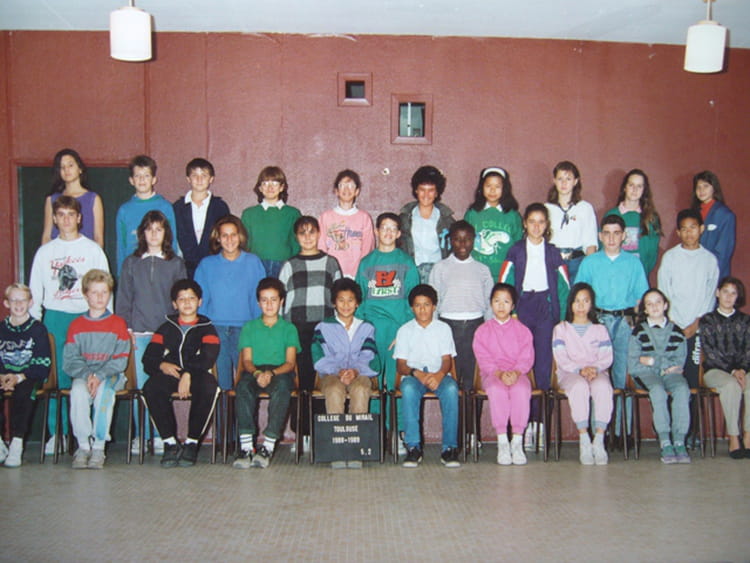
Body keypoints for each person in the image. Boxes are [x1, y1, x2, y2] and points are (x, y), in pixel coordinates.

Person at [29, 195, 110, 455]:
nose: (66, 220)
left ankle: (89, 435)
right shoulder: (45, 252)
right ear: (54, 219)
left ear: (79, 218)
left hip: (87, 317)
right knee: (57, 378)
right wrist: (35, 325)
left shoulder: (92, 250)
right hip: (55, 317)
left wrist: (107, 320)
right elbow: (35, 291)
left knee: (89, 376)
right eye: (61, 215)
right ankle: (59, 433)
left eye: (71, 215)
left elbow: (106, 287)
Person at [116, 210, 186, 455]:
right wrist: (127, 331)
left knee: (159, 388)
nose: (154, 234)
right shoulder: (131, 263)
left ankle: (160, 435)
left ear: (166, 233)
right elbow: (124, 299)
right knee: (141, 388)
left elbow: (182, 301)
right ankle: (141, 435)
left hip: (165, 337)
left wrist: (177, 334)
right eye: (149, 229)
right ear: (142, 233)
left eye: (159, 229)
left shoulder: (175, 263)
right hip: (139, 335)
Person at [575, 214, 648, 441]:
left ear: (624, 236)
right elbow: (580, 294)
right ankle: (600, 431)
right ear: (600, 236)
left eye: (616, 233)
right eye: (606, 233)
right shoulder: (590, 262)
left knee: (623, 375)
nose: (611, 238)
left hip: (625, 321)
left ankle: (622, 431)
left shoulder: (633, 263)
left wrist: (636, 321)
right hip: (598, 321)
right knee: (598, 376)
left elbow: (641, 297)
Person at [141, 279, 220, 468]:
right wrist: (161, 365)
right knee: (151, 387)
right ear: (174, 304)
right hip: (171, 372)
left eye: (191, 298)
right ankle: (170, 443)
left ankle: (192, 442)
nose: (187, 303)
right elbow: (149, 358)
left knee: (209, 387)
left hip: (197, 373)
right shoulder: (165, 328)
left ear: (199, 302)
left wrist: (188, 373)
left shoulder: (207, 328)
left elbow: (208, 357)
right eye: (182, 299)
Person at [278, 216, 342, 447]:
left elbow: (339, 298)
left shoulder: (331, 263)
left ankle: (321, 432)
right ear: (296, 237)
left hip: (325, 330)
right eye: (302, 233)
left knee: (324, 379)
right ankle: (302, 433)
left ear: (318, 234)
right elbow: (281, 301)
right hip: (297, 329)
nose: (307, 237)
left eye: (311, 232)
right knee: (302, 381)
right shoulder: (289, 265)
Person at [355, 213, 419, 438]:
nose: (388, 232)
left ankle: (398, 431)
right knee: (372, 380)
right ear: (376, 231)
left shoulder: (406, 263)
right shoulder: (366, 263)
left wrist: (405, 333)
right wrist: (362, 332)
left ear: (399, 233)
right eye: (384, 228)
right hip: (372, 330)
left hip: (396, 331)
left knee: (395, 382)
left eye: (393, 228)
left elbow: (413, 301)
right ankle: (375, 431)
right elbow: (359, 299)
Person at [63, 270, 130, 469]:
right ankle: (84, 446)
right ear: (86, 295)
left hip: (111, 375)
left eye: (104, 292)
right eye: (94, 292)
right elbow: (70, 360)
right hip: (84, 376)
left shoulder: (118, 323)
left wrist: (99, 376)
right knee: (77, 392)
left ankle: (99, 446)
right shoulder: (76, 325)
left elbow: (120, 360)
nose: (100, 297)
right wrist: (88, 375)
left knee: (104, 393)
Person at [311, 278, 379, 468]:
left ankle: (356, 449)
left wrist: (356, 370)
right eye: (341, 300)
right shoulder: (323, 327)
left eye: (350, 300)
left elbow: (370, 356)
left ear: (357, 303)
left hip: (360, 373)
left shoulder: (366, 327)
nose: (346, 305)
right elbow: (318, 357)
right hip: (332, 374)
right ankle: (337, 450)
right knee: (334, 390)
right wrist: (337, 370)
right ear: (334, 302)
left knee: (361, 390)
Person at [233, 278, 300, 469]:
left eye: (273, 300)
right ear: (258, 303)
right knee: (243, 387)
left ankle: (268, 446)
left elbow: (290, 363)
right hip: (254, 370)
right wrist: (257, 374)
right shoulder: (249, 327)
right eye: (264, 300)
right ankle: (246, 447)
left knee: (282, 388)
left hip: (279, 371)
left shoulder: (289, 328)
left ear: (282, 301)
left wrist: (271, 373)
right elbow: (246, 361)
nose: (269, 305)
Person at [193, 215, 264, 391]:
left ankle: (242, 411)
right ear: (217, 238)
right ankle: (223, 411)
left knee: (245, 383)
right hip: (216, 329)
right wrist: (203, 330)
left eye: (233, 234)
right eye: (224, 235)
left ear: (240, 236)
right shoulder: (207, 265)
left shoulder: (253, 262)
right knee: (222, 384)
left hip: (245, 329)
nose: (229, 239)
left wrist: (257, 329)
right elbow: (200, 301)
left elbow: (259, 299)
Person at [394, 284, 460, 468]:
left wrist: (439, 375)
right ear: (411, 308)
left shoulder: (443, 328)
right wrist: (417, 373)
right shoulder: (404, 330)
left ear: (434, 306)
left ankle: (449, 448)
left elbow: (447, 360)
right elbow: (401, 365)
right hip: (414, 376)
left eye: (427, 305)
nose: (422, 309)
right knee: (408, 389)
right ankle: (413, 447)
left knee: (451, 389)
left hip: (439, 374)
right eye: (418, 305)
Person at [428, 220, 493, 409]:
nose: (462, 244)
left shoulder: (482, 270)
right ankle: (453, 427)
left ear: (474, 241)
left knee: (473, 381)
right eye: (457, 240)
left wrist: (488, 332)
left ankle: (472, 427)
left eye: (467, 240)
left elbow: (489, 303)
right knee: (451, 382)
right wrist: (434, 331)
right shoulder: (440, 268)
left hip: (475, 327)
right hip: (448, 328)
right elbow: (433, 303)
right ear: (450, 241)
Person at [472, 283, 534, 465]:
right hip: (492, 374)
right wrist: (498, 373)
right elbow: (483, 358)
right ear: (491, 303)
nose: (501, 306)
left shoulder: (522, 330)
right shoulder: (482, 331)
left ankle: (517, 441)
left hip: (518, 374)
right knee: (496, 390)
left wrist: (516, 372)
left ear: (513, 305)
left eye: (506, 302)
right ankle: (502, 442)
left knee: (521, 390)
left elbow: (526, 356)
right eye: (497, 301)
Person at [551, 283, 613, 465]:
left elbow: (606, 357)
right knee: (579, 386)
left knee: (603, 387)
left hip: (596, 372)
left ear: (591, 304)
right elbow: (561, 357)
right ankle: (584, 438)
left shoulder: (600, 329)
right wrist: (579, 370)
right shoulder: (561, 329)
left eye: (585, 301)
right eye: (576, 301)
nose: (580, 305)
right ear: (570, 304)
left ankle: (599, 439)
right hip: (569, 373)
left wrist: (595, 368)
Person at [627, 288, 691, 464]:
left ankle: (679, 440)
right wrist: (660, 364)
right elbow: (633, 363)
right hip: (645, 374)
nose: (654, 306)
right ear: (645, 309)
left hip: (671, 374)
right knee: (657, 390)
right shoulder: (638, 332)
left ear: (665, 305)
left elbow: (679, 362)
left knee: (682, 389)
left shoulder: (676, 332)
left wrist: (651, 360)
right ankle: (665, 441)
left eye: (658, 302)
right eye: (649, 304)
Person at [657, 209, 719, 388]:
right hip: (673, 326)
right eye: (684, 229)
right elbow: (663, 291)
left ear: (701, 229)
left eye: (693, 227)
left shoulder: (709, 260)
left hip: (697, 327)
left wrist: (696, 324)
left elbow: (710, 296)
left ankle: (693, 409)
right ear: (678, 232)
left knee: (693, 378)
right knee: (672, 377)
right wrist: (673, 323)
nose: (688, 233)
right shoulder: (670, 257)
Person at [0, 283, 51, 467]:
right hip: (4, 376)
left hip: (29, 377)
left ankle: (16, 443)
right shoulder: (1, 328)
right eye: (14, 300)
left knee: (24, 392)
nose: (18, 304)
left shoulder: (38, 329)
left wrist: (18, 377)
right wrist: (2, 376)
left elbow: (42, 364)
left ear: (30, 303)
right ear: (6, 303)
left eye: (23, 300)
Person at [700, 277, 750, 459]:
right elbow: (710, 352)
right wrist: (733, 371)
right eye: (725, 292)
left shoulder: (745, 320)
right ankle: (733, 437)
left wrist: (742, 369)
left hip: (743, 370)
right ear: (717, 293)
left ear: (738, 297)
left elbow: (749, 349)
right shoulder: (707, 320)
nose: (729, 297)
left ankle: (748, 435)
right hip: (716, 371)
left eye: (733, 293)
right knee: (731, 385)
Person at [115, 155, 180, 275]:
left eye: (146, 176)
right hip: (134, 271)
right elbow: (121, 246)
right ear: (131, 180)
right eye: (137, 176)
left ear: (154, 179)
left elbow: (172, 241)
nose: (142, 180)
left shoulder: (165, 207)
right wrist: (121, 274)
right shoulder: (124, 210)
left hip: (161, 270)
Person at [173, 158, 231, 278]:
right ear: (188, 179)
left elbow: (225, 237)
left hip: (214, 267)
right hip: (185, 269)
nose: (199, 180)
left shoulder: (220, 207)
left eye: (204, 175)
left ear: (211, 179)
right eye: (195, 175)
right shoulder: (177, 207)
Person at [241, 166, 301, 278]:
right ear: (260, 188)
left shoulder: (293, 214)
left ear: (282, 187)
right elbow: (244, 244)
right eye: (265, 183)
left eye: (275, 183)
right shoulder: (249, 214)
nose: (270, 187)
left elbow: (296, 244)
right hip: (256, 265)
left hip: (284, 264)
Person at [463, 166, 523, 280]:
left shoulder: (513, 215)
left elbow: (518, 245)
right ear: (481, 187)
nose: (492, 190)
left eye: (497, 186)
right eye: (488, 186)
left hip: (505, 274)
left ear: (504, 189)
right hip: (477, 274)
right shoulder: (472, 214)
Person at [398, 165, 455, 282]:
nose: (426, 195)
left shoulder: (447, 220)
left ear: (437, 193)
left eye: (431, 190)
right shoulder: (404, 218)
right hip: (411, 272)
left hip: (438, 273)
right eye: (422, 190)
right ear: (416, 190)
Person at [544, 160, 598, 280]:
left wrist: (590, 269)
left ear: (575, 181)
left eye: (568, 179)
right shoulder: (547, 208)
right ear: (554, 181)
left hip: (577, 262)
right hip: (554, 261)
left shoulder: (585, 208)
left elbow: (590, 243)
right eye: (560, 179)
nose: (564, 183)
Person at [604, 169, 662, 278]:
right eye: (631, 185)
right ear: (624, 187)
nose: (635, 190)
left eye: (639, 186)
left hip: (639, 275)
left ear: (644, 190)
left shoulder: (651, 218)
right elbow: (603, 247)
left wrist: (642, 272)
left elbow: (652, 253)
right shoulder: (611, 215)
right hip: (614, 275)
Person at [318, 169, 375, 278]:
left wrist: (360, 273)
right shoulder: (325, 217)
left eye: (351, 185)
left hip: (357, 275)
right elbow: (321, 248)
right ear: (336, 191)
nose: (346, 189)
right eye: (342, 185)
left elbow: (368, 249)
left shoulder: (364, 218)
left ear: (357, 191)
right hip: (332, 274)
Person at [41, 148, 104, 248]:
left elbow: (98, 237)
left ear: (80, 169)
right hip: (58, 255)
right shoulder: (51, 199)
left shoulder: (93, 199)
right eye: (62, 167)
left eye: (70, 165)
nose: (66, 170)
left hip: (84, 254)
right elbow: (46, 236)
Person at [691, 170, 736, 281]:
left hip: (714, 273)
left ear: (714, 188)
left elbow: (723, 252)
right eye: (698, 187)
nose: (701, 190)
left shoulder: (725, 214)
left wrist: (710, 275)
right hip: (693, 272)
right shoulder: (693, 213)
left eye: (705, 186)